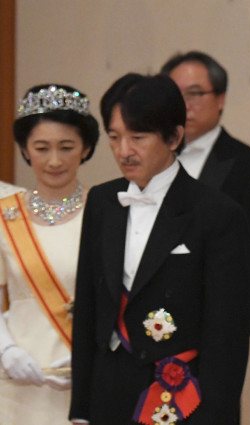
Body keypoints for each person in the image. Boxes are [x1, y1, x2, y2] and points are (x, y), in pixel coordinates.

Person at [69, 74, 250, 424]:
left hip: (182, 396)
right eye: (114, 137)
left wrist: (214, 415)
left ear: (174, 137)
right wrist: (82, 409)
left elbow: (226, 336)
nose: (124, 151)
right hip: (109, 396)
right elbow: (89, 308)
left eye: (137, 137)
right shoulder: (103, 202)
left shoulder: (217, 214)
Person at [160, 51, 250, 337]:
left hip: (215, 323)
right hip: (152, 319)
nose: (184, 105)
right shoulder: (151, 158)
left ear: (221, 98)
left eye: (195, 93)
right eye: (175, 95)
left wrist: (241, 325)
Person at [0, 84, 99, 424]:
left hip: (84, 383)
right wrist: (6, 350)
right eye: (41, 148)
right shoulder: (3, 215)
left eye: (66, 147)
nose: (54, 160)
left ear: (85, 148)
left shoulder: (107, 213)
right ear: (25, 151)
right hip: (16, 384)